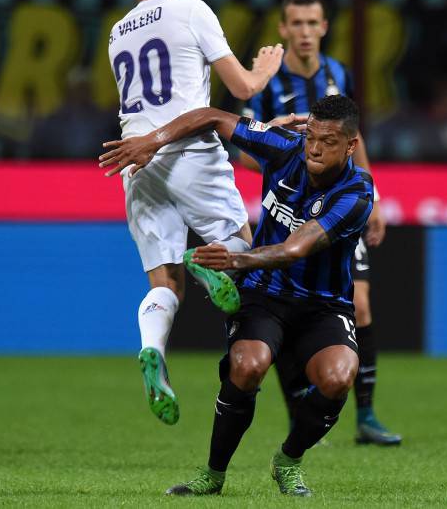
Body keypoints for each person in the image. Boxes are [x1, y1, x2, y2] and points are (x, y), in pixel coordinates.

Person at [101, 95, 371, 496]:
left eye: (328, 142)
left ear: (350, 146)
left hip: (322, 305)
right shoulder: (285, 147)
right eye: (311, 136)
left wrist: (234, 260)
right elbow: (210, 117)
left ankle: (288, 460)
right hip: (265, 294)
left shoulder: (356, 193)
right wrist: (153, 141)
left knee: (338, 377)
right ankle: (213, 474)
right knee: (247, 367)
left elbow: (294, 249)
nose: (314, 148)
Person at [107, 0, 284, 425]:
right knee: (243, 250)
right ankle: (215, 268)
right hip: (187, 150)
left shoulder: (117, 32)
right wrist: (264, 70)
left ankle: (152, 350)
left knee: (165, 282)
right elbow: (241, 88)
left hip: (135, 161)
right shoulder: (192, 11)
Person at [241, 0, 400, 446]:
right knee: (289, 307)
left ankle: (366, 417)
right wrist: (289, 151)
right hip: (290, 211)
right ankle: (303, 412)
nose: (306, 32)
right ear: (283, 29)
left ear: (324, 27)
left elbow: (354, 137)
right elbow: (246, 147)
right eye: (297, 23)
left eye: (314, 23)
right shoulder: (267, 83)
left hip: (341, 210)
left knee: (363, 305)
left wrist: (373, 194)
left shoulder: (337, 74)